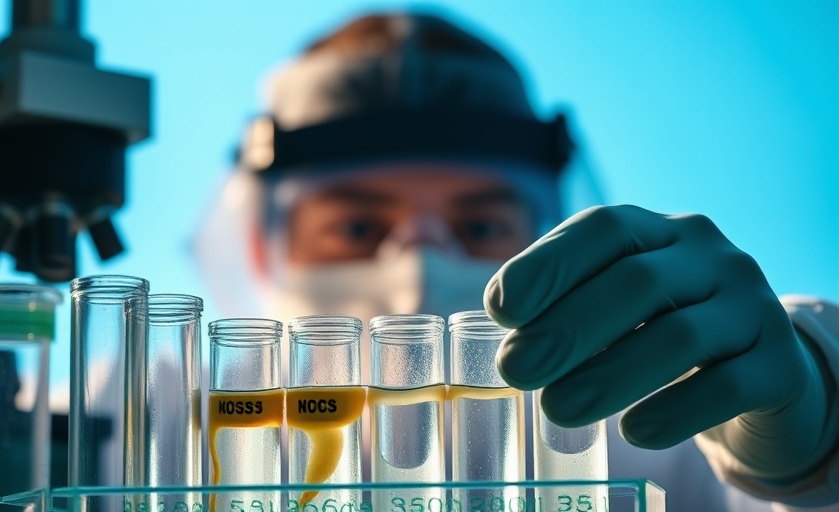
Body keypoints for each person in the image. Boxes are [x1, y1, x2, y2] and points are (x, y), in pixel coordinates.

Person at [195, 12, 839, 512]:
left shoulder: (634, 435)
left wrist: (816, 432)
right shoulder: (139, 417)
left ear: (551, 234)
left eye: (478, 224)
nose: (419, 259)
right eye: (359, 225)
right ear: (261, 244)